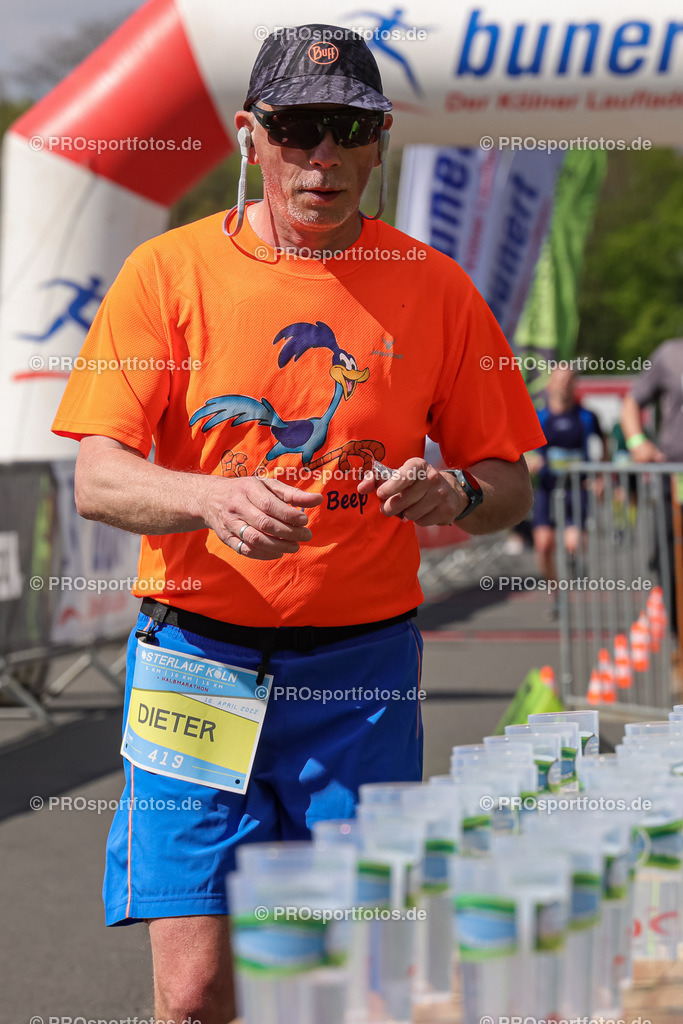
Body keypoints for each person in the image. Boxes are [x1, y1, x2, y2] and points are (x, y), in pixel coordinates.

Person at [52, 25, 545, 1024]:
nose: (321, 156)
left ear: (378, 141)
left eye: (346, 128)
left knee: (338, 983)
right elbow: (97, 477)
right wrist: (208, 498)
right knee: (193, 993)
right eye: (296, 128)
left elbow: (510, 484)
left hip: (354, 678)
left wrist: (452, 495)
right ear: (250, 135)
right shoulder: (165, 273)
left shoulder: (436, 288)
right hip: (196, 659)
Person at [526, 367, 605, 612]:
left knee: (572, 544)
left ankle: (573, 563)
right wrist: (529, 462)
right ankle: (556, 594)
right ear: (550, 383)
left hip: (575, 489)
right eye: (559, 380)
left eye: (569, 380)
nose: (564, 385)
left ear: (575, 385)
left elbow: (602, 443)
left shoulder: (586, 417)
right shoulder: (540, 417)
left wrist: (599, 476)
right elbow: (521, 450)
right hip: (548, 490)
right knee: (543, 546)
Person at [622, 337, 683, 632]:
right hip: (672, 481)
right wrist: (637, 442)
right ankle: (679, 640)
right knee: (666, 561)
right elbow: (632, 401)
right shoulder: (670, 354)